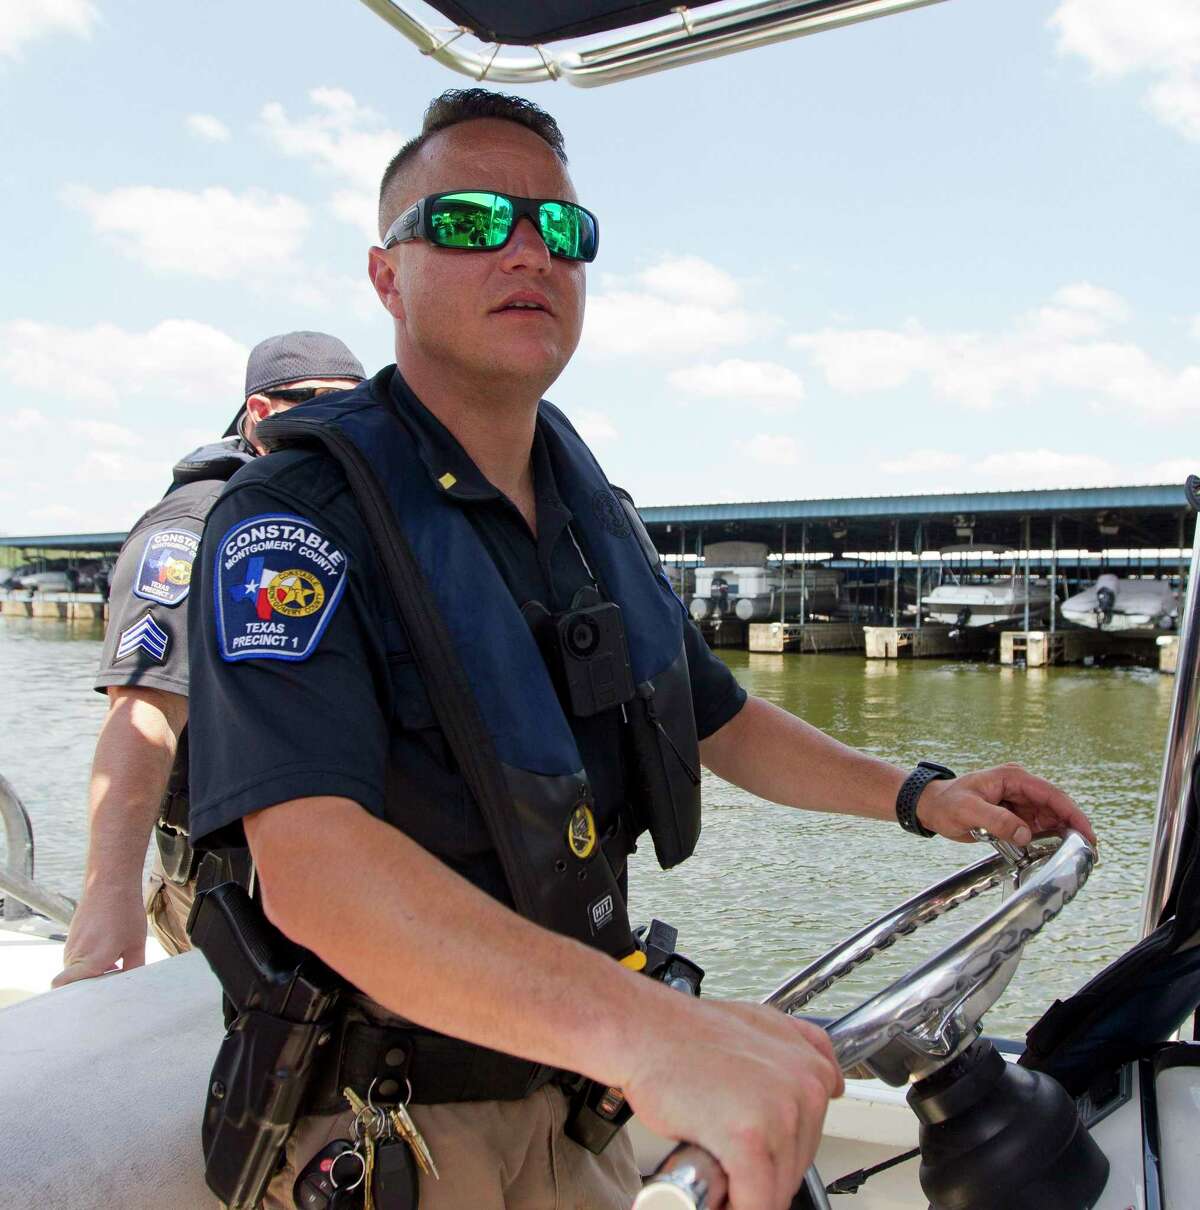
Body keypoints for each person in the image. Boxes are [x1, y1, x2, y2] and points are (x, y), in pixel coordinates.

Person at [186, 90, 1097, 1210]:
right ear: (387, 275)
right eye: (472, 221)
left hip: (583, 1101)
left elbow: (717, 717)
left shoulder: (586, 510)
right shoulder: (296, 519)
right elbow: (315, 873)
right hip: (397, 1135)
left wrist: (925, 796)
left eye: (562, 229)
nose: (529, 249)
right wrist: (658, 1036)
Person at [52, 333, 365, 987]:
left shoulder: (344, 514)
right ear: (259, 412)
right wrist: (109, 896)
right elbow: (144, 714)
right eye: (317, 406)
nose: (342, 427)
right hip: (232, 888)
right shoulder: (195, 527)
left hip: (344, 871)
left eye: (359, 408)